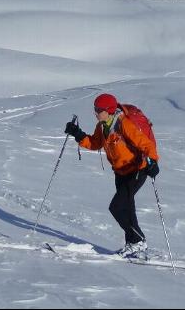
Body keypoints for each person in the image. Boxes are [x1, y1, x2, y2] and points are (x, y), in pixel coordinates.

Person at [64, 93, 159, 257]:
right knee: (127, 208)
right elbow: (95, 143)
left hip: (137, 169)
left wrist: (153, 161)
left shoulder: (124, 124)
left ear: (109, 110)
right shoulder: (102, 125)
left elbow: (146, 144)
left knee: (116, 207)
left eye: (99, 110)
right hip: (120, 171)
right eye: (95, 109)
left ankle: (138, 241)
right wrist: (78, 134)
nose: (95, 112)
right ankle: (133, 245)